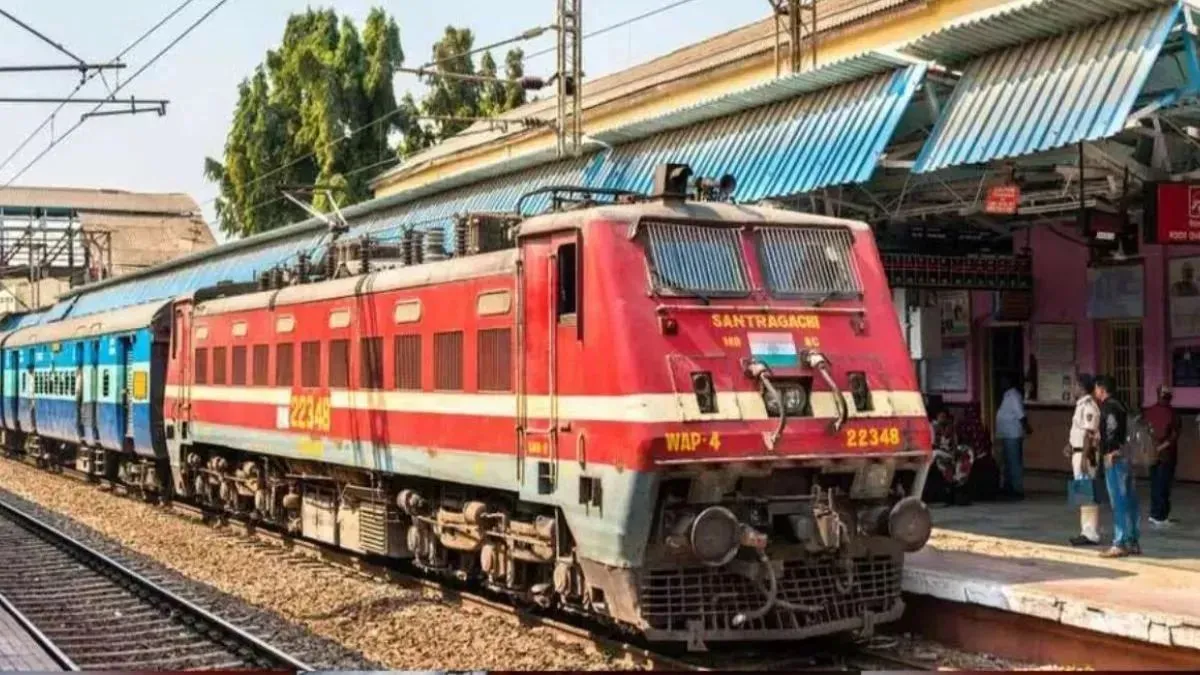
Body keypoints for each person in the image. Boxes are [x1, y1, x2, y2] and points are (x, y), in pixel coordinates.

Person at [1095, 376, 1140, 557]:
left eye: (1096, 388)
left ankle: (1119, 542)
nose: (1095, 392)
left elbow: (1112, 428)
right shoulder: (1123, 405)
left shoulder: (1109, 406)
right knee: (1130, 500)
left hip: (1115, 458)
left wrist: (1110, 450)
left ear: (1102, 389)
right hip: (1127, 456)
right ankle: (1132, 541)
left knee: (1119, 500)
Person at [1068, 374, 1102, 546]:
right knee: (1083, 494)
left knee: (1087, 493)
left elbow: (1089, 434)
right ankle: (1085, 530)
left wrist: (1083, 458)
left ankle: (1091, 533)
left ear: (1081, 387)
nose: (1073, 388)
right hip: (1079, 452)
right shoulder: (1080, 405)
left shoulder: (1089, 406)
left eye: (1075, 385)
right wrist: (1070, 445)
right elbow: (1079, 432)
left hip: (1085, 455)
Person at [1143, 385, 1181, 527]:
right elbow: (1173, 437)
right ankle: (1160, 516)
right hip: (1166, 456)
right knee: (1163, 486)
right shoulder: (1173, 413)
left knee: (1155, 484)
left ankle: (1155, 514)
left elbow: (1144, 432)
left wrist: (1151, 449)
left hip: (1153, 454)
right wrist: (1160, 448)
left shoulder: (1149, 412)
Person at [995, 374, 1029, 500]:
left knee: (1014, 463)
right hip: (1006, 434)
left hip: (1013, 434)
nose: (1001, 384)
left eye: (1004, 381)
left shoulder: (1014, 395)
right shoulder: (1006, 395)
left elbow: (1020, 414)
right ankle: (1008, 487)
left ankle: (1017, 489)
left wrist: (1026, 427)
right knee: (1007, 463)